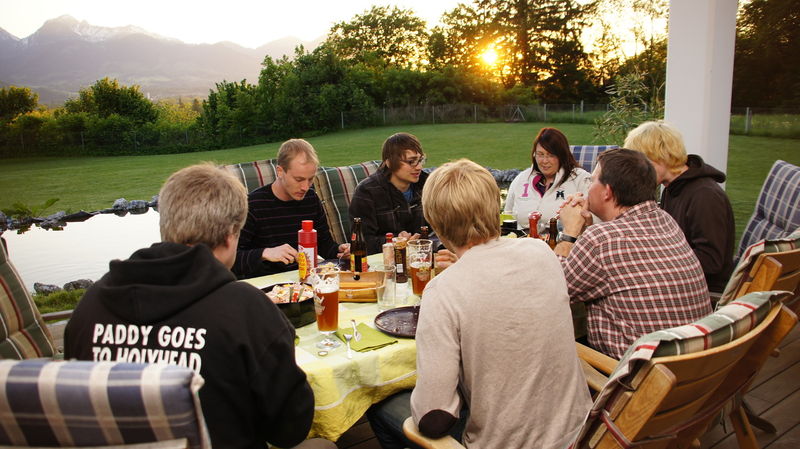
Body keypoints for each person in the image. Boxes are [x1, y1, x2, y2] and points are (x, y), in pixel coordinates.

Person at [64, 163, 335, 449]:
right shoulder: (246, 310)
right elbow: (289, 429)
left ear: (166, 223)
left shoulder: (91, 305)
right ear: (232, 235)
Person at [367, 159, 592, 449]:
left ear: (435, 223)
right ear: (494, 208)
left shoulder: (444, 291)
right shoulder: (541, 252)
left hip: (504, 443)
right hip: (579, 433)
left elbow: (434, 418)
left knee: (381, 406)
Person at [555, 148, 712, 360]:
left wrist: (570, 233)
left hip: (633, 375)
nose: (587, 189)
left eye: (592, 182)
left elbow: (552, 292)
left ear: (607, 192)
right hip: (689, 365)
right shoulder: (665, 219)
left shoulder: (602, 240)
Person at [624, 120, 735, 293]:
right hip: (677, 280)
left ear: (659, 157)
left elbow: (711, 261)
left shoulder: (705, 196)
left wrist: (652, 263)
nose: (636, 173)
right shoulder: (672, 187)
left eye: (639, 165)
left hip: (701, 291)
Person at [233, 139, 349, 278]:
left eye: (310, 179)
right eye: (299, 180)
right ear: (280, 171)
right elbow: (231, 260)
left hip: (305, 281)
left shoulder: (310, 198)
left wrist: (339, 250)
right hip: (268, 285)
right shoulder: (252, 205)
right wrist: (264, 253)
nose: (306, 187)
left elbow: (324, 244)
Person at [348, 132, 429, 254]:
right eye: (411, 161)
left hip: (423, 258)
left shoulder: (428, 184)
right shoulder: (367, 192)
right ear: (389, 163)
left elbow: (443, 230)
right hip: (383, 262)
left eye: (420, 160)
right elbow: (362, 241)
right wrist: (396, 241)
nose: (418, 167)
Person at [504, 127, 591, 232]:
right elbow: (507, 216)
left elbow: (594, 220)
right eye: (540, 154)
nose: (544, 161)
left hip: (563, 243)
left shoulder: (581, 179)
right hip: (523, 243)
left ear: (562, 156)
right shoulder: (521, 179)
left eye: (551, 155)